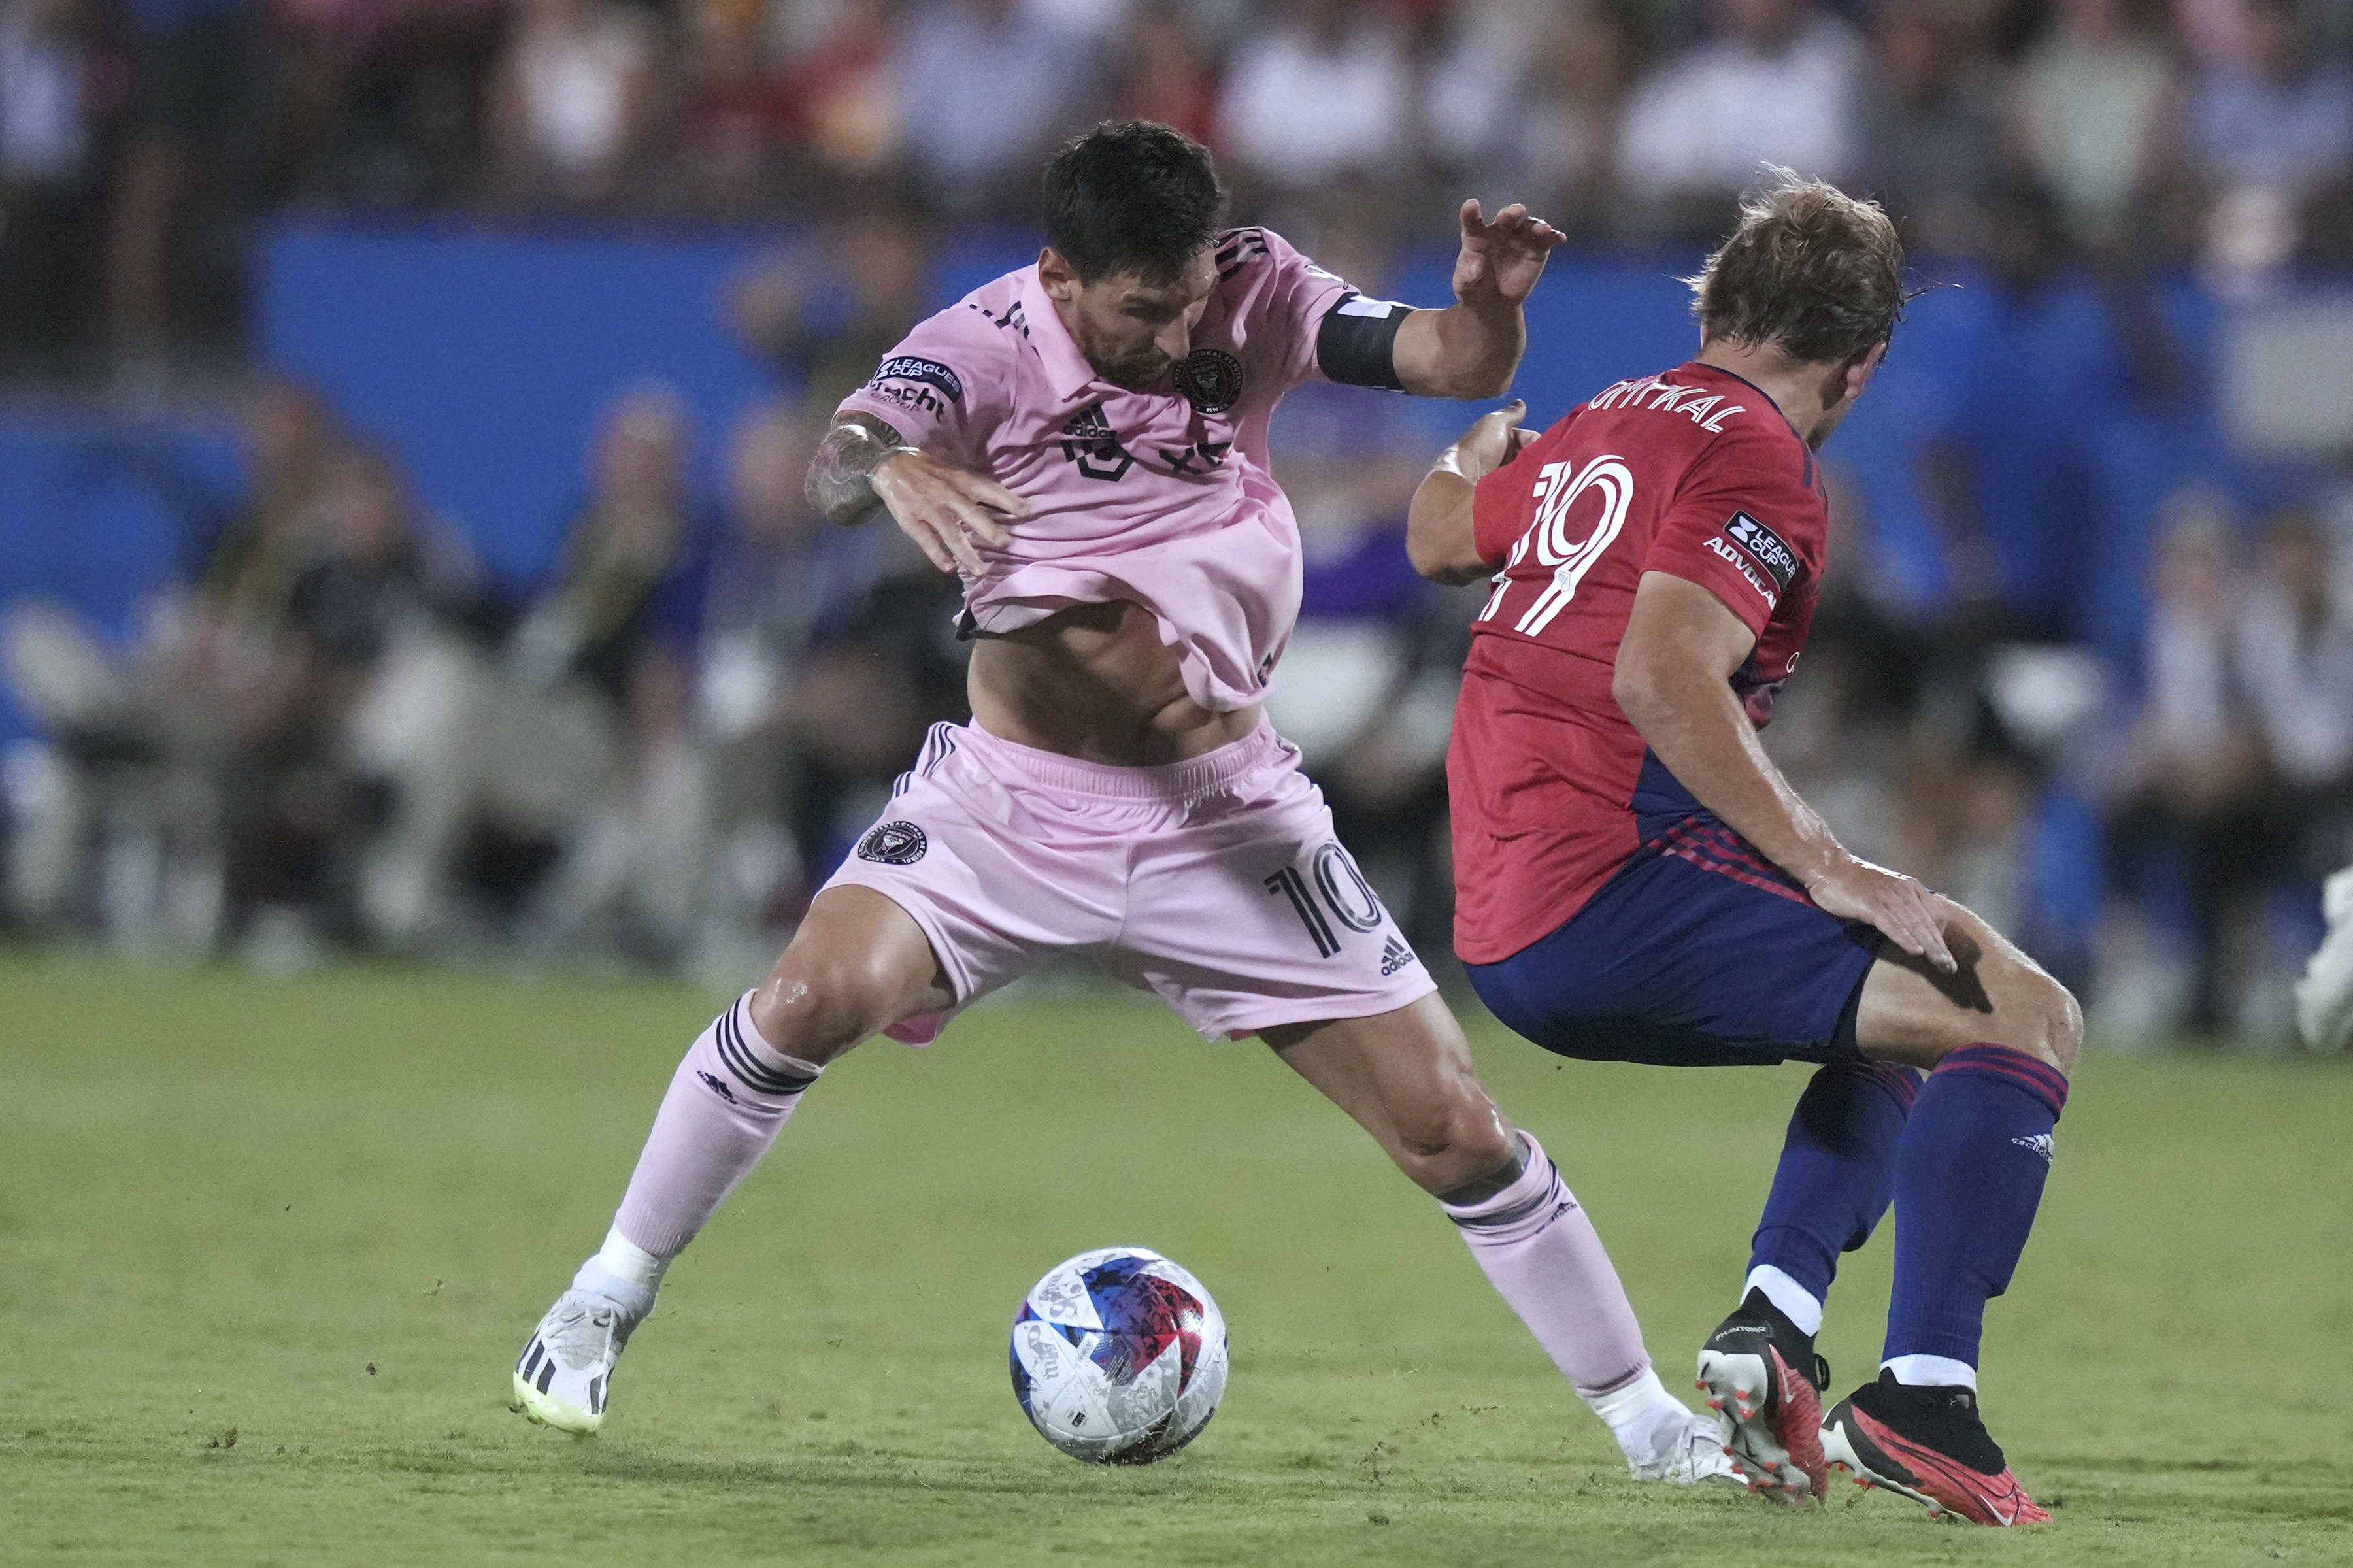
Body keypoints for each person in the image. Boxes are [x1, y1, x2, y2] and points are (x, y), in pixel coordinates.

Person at [509, 120, 1737, 1489]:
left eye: (1191, 296)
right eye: (1144, 311)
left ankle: (1652, 1428)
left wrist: (1491, 310)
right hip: (1012, 807)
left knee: (1453, 1126)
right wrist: (894, 465)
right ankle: (602, 1300)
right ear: (1061, 276)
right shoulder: (980, 343)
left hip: (1228, 815)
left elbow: (1447, 365)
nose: (1176, 333)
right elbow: (840, 456)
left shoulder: (1252, 287)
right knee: (802, 1004)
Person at [1405, 172, 2081, 1526]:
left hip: (1503, 909)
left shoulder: (1610, 417)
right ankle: (1924, 1397)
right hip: (1607, 881)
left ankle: (1771, 1327)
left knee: (1901, 1017)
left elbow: (1436, 541)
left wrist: (1464, 461)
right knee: (2025, 1010)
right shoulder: (1762, 454)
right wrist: (1833, 864)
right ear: (1866, 362)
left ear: (1716, 302)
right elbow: (1666, 679)